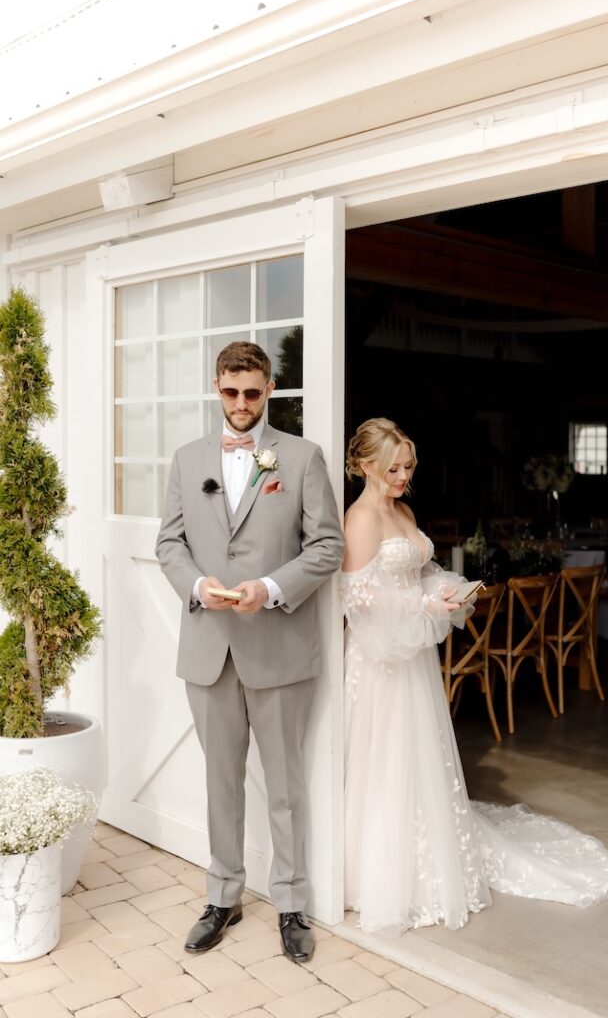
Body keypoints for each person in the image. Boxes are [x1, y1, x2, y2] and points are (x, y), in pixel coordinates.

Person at [341, 417, 608, 935]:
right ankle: (375, 870)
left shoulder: (402, 509)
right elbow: (357, 593)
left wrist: (445, 588)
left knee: (419, 754)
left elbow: (418, 570)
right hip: (380, 660)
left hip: (413, 655)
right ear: (365, 466)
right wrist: (422, 602)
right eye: (394, 468)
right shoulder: (360, 519)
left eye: (408, 466)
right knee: (383, 757)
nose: (404, 476)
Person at [155, 341, 344, 962]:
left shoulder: (304, 457)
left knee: (285, 784)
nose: (242, 404)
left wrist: (269, 589)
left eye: (254, 393)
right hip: (208, 647)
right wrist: (197, 585)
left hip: (279, 646)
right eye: (231, 391)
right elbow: (170, 543)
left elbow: (326, 548)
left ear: (269, 391)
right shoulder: (186, 459)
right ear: (217, 387)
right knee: (220, 781)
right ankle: (223, 896)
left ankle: (291, 904)